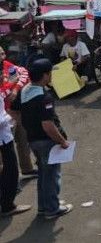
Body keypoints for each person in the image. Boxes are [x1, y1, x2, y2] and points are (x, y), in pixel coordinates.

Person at [10, 59, 73, 219]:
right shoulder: (44, 97)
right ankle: (52, 209)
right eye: (51, 72)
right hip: (46, 141)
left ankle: (44, 206)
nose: (52, 75)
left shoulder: (25, 90)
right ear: (45, 75)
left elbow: (13, 108)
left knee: (43, 175)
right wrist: (62, 141)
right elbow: (48, 125)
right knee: (51, 175)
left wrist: (28, 120)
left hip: (33, 140)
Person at [0, 46, 35, 184]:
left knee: (23, 139)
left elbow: (23, 73)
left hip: (13, 111)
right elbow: (2, 94)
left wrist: (14, 89)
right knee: (5, 153)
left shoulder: (7, 66)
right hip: (4, 116)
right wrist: (11, 85)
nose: (3, 57)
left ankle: (26, 168)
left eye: (3, 53)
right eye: (0, 54)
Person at [0, 80, 32, 217]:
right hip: (3, 138)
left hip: (4, 137)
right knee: (11, 171)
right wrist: (10, 117)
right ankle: (7, 205)